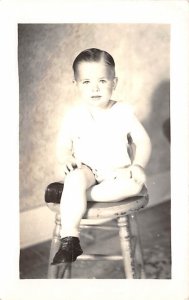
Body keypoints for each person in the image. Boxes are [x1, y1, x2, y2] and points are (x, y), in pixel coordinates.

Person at [51, 48, 151, 265]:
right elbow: (62, 145)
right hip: (88, 170)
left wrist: (138, 165)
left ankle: (70, 193)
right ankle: (70, 239)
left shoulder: (123, 111)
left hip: (117, 173)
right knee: (76, 178)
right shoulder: (74, 115)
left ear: (114, 83)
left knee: (134, 186)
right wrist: (66, 157)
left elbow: (142, 141)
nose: (95, 88)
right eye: (86, 82)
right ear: (76, 84)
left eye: (102, 81)